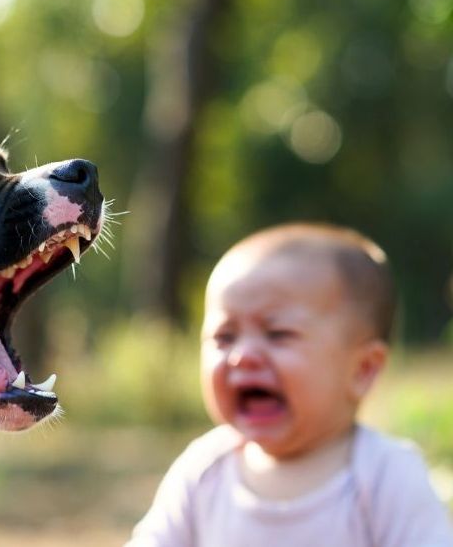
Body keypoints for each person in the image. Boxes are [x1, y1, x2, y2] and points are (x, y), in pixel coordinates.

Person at [127, 223, 453, 547]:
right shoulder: (204, 471)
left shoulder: (386, 477)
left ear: (362, 370)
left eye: (278, 333)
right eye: (224, 337)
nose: (243, 356)